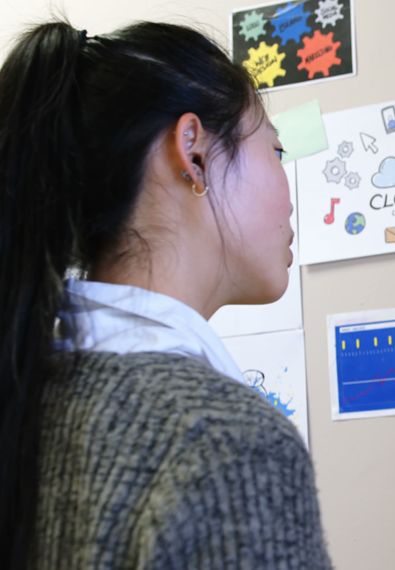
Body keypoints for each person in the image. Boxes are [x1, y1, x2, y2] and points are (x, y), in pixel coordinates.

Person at [0, 21, 331, 568]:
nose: (289, 193)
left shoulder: (26, 398)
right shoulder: (230, 445)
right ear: (194, 153)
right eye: (276, 148)